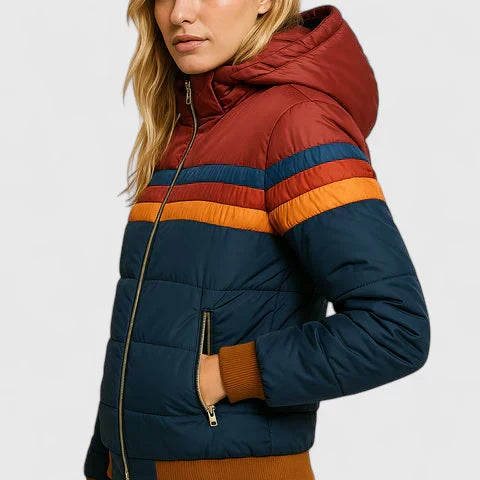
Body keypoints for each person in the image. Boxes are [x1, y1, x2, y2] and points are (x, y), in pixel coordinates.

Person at [83, 1, 431, 479]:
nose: (180, 13)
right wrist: (104, 456)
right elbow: (150, 323)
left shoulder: (298, 124)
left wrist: (222, 376)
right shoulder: (186, 128)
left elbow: (394, 328)